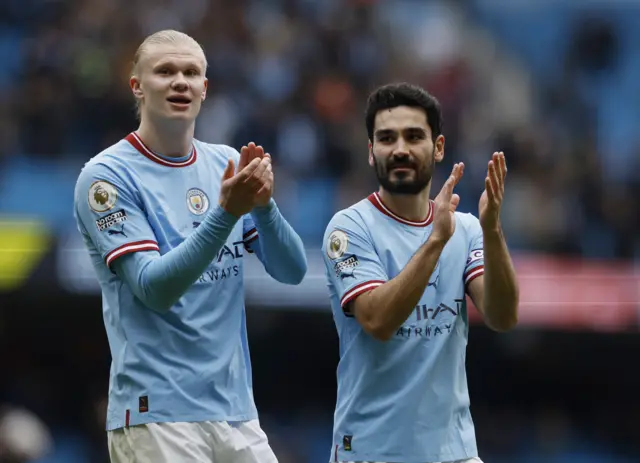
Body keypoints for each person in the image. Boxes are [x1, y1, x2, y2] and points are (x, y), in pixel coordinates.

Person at [73, 29, 307, 463]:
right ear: (137, 86)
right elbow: (154, 289)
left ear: (204, 88)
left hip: (236, 412)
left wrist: (264, 207)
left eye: (191, 72)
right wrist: (225, 214)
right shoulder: (106, 178)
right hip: (156, 414)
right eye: (165, 71)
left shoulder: (225, 164)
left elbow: (291, 271)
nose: (180, 81)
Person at [321, 82, 519, 463]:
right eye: (387, 138)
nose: (400, 149)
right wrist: (434, 242)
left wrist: (492, 229)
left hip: (454, 453)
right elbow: (378, 320)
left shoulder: (467, 229)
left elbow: (502, 315)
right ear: (370, 151)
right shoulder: (349, 229)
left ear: (438, 147)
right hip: (372, 451)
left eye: (414, 136)